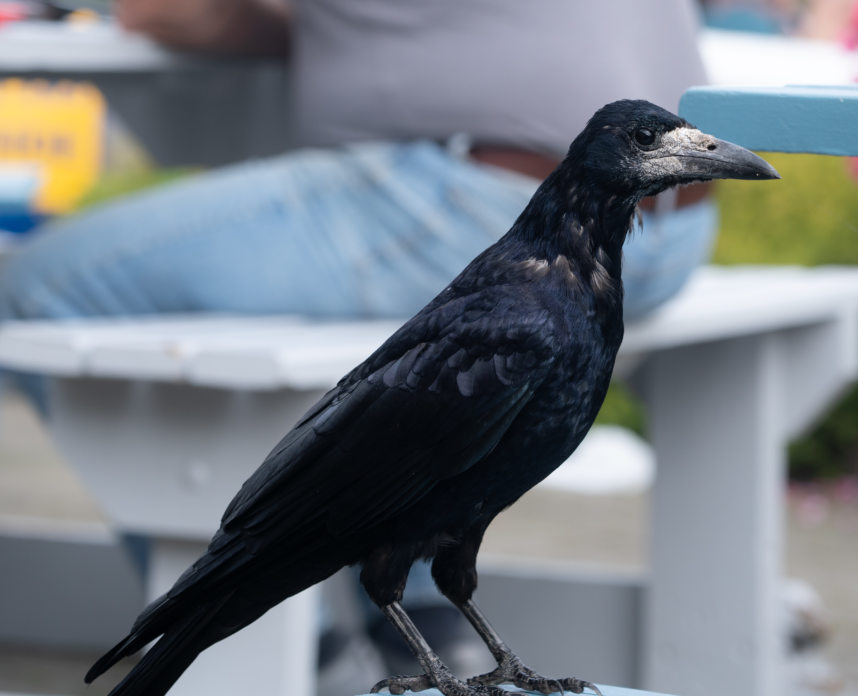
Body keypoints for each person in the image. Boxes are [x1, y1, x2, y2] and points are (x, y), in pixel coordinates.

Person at [0, 1, 715, 693]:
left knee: (26, 287)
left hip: (470, 184)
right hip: (662, 236)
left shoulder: (530, 315)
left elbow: (173, 12)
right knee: (415, 482)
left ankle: (390, 651)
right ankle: (395, 652)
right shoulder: (519, 316)